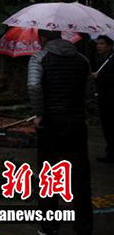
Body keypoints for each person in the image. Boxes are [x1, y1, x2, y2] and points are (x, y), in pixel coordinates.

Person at [27, 29, 93, 235]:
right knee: (80, 175)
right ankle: (83, 227)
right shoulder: (82, 60)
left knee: (48, 173)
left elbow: (33, 85)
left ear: (43, 38)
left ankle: (49, 226)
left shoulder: (39, 58)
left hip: (51, 123)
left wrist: (39, 113)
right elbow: (90, 92)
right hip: (76, 122)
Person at [93, 34, 114, 163]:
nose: (98, 46)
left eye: (102, 44)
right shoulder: (102, 59)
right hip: (103, 97)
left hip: (111, 98)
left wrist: (99, 76)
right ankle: (110, 151)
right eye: (97, 44)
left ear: (109, 45)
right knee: (107, 126)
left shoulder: (112, 59)